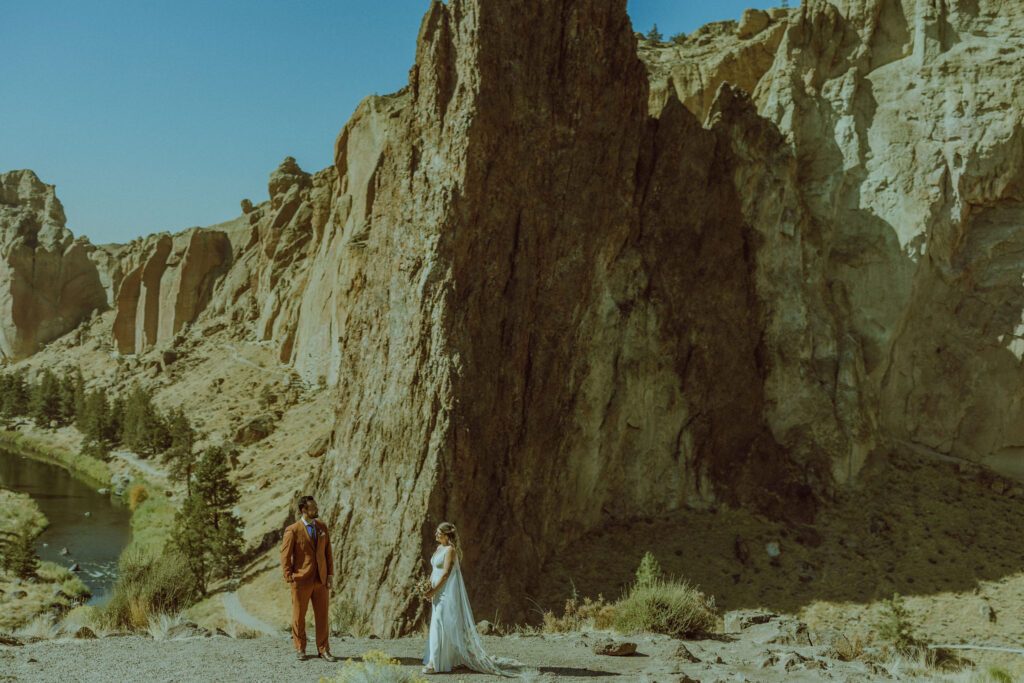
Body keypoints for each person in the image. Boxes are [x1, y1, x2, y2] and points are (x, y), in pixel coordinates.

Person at [421, 522, 525, 676]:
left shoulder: (450, 551)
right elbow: (435, 571)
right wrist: (428, 587)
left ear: (446, 535)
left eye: (439, 533)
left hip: (444, 593)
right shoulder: (439, 549)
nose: (436, 535)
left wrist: (434, 590)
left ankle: (434, 663)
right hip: (436, 593)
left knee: (439, 625)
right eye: (436, 532)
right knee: (437, 623)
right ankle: (444, 659)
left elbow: (446, 574)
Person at [281, 495, 337, 662]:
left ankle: (324, 650)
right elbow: (285, 555)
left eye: (316, 506)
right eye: (313, 508)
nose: (317, 509)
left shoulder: (322, 527)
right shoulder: (293, 530)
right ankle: (300, 648)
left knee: (322, 616)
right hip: (301, 580)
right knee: (299, 616)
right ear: (303, 510)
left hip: (321, 580)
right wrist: (289, 576)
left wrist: (330, 574)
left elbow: (328, 552)